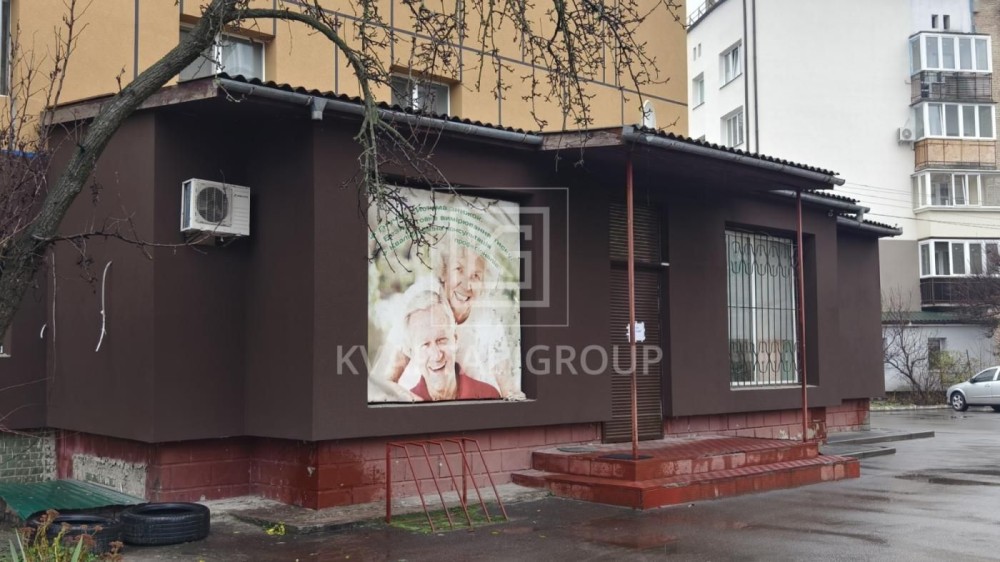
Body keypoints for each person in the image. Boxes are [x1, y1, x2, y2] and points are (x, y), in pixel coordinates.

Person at [370, 233, 524, 400]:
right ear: (443, 272)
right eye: (459, 270)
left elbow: (508, 388)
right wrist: (417, 404)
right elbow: (386, 381)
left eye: (476, 276)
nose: (466, 285)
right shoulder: (421, 301)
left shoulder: (488, 319)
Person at [402, 290, 500, 401]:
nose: (436, 356)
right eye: (425, 344)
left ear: (455, 339)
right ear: (412, 353)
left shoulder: (488, 396)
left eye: (441, 340)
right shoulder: (406, 405)